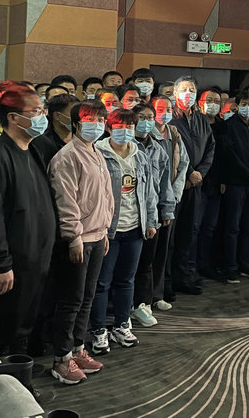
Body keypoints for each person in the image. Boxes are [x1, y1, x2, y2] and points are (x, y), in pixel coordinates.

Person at [0, 85, 56, 355]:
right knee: (7, 330)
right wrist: (0, 263)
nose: (43, 116)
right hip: (11, 264)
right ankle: (7, 376)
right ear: (14, 117)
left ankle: (21, 371)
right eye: (36, 111)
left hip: (35, 258)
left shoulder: (32, 150)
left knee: (25, 327)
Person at [48, 100, 113, 384]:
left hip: (97, 235)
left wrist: (105, 230)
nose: (96, 125)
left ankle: (77, 348)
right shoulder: (66, 157)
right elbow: (66, 201)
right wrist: (74, 236)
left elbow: (105, 195)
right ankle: (61, 358)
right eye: (90, 120)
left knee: (87, 297)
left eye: (100, 120)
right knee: (71, 299)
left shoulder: (96, 152)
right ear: (75, 124)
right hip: (78, 239)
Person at [90, 109, 158, 353]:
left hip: (134, 227)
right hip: (108, 230)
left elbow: (149, 190)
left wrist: (151, 221)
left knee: (126, 280)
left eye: (130, 126)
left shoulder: (140, 155)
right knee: (101, 282)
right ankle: (99, 329)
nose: (126, 131)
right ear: (109, 128)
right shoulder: (98, 153)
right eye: (119, 126)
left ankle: (121, 324)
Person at [168, 76, 215, 296]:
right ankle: (166, 281)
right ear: (175, 93)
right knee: (171, 234)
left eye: (192, 90)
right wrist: (187, 174)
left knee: (189, 232)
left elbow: (210, 148)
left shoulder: (200, 119)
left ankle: (183, 276)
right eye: (184, 89)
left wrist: (199, 174)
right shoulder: (169, 118)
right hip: (174, 185)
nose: (188, 93)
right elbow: (170, 151)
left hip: (196, 184)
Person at [130, 103, 175, 327]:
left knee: (147, 262)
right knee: (128, 265)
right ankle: (124, 306)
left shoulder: (158, 148)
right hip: (129, 215)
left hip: (152, 213)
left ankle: (143, 303)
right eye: (141, 117)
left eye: (150, 117)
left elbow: (165, 182)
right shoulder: (125, 145)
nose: (146, 121)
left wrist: (166, 208)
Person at [219, 90, 249, 282]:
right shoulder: (229, 126)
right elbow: (229, 155)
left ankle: (247, 263)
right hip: (236, 183)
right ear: (237, 106)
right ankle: (230, 266)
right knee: (233, 227)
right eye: (244, 104)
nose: (247, 108)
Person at [149, 95, 189, 308]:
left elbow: (183, 163)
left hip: (169, 199)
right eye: (159, 109)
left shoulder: (174, 133)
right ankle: (142, 299)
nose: (164, 113)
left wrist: (174, 195)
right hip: (149, 200)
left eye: (168, 109)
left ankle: (158, 294)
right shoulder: (145, 134)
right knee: (148, 252)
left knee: (164, 249)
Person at [195, 87, 226, 282]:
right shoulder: (195, 123)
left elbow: (226, 155)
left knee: (210, 228)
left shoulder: (223, 126)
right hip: (197, 182)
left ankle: (205, 264)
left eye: (216, 101)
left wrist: (223, 180)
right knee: (195, 228)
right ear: (200, 103)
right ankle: (191, 267)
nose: (213, 104)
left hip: (217, 184)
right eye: (209, 100)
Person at [30, 93, 76, 167]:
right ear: (57, 115)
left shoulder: (82, 138)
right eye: (74, 114)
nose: (78, 118)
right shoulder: (42, 144)